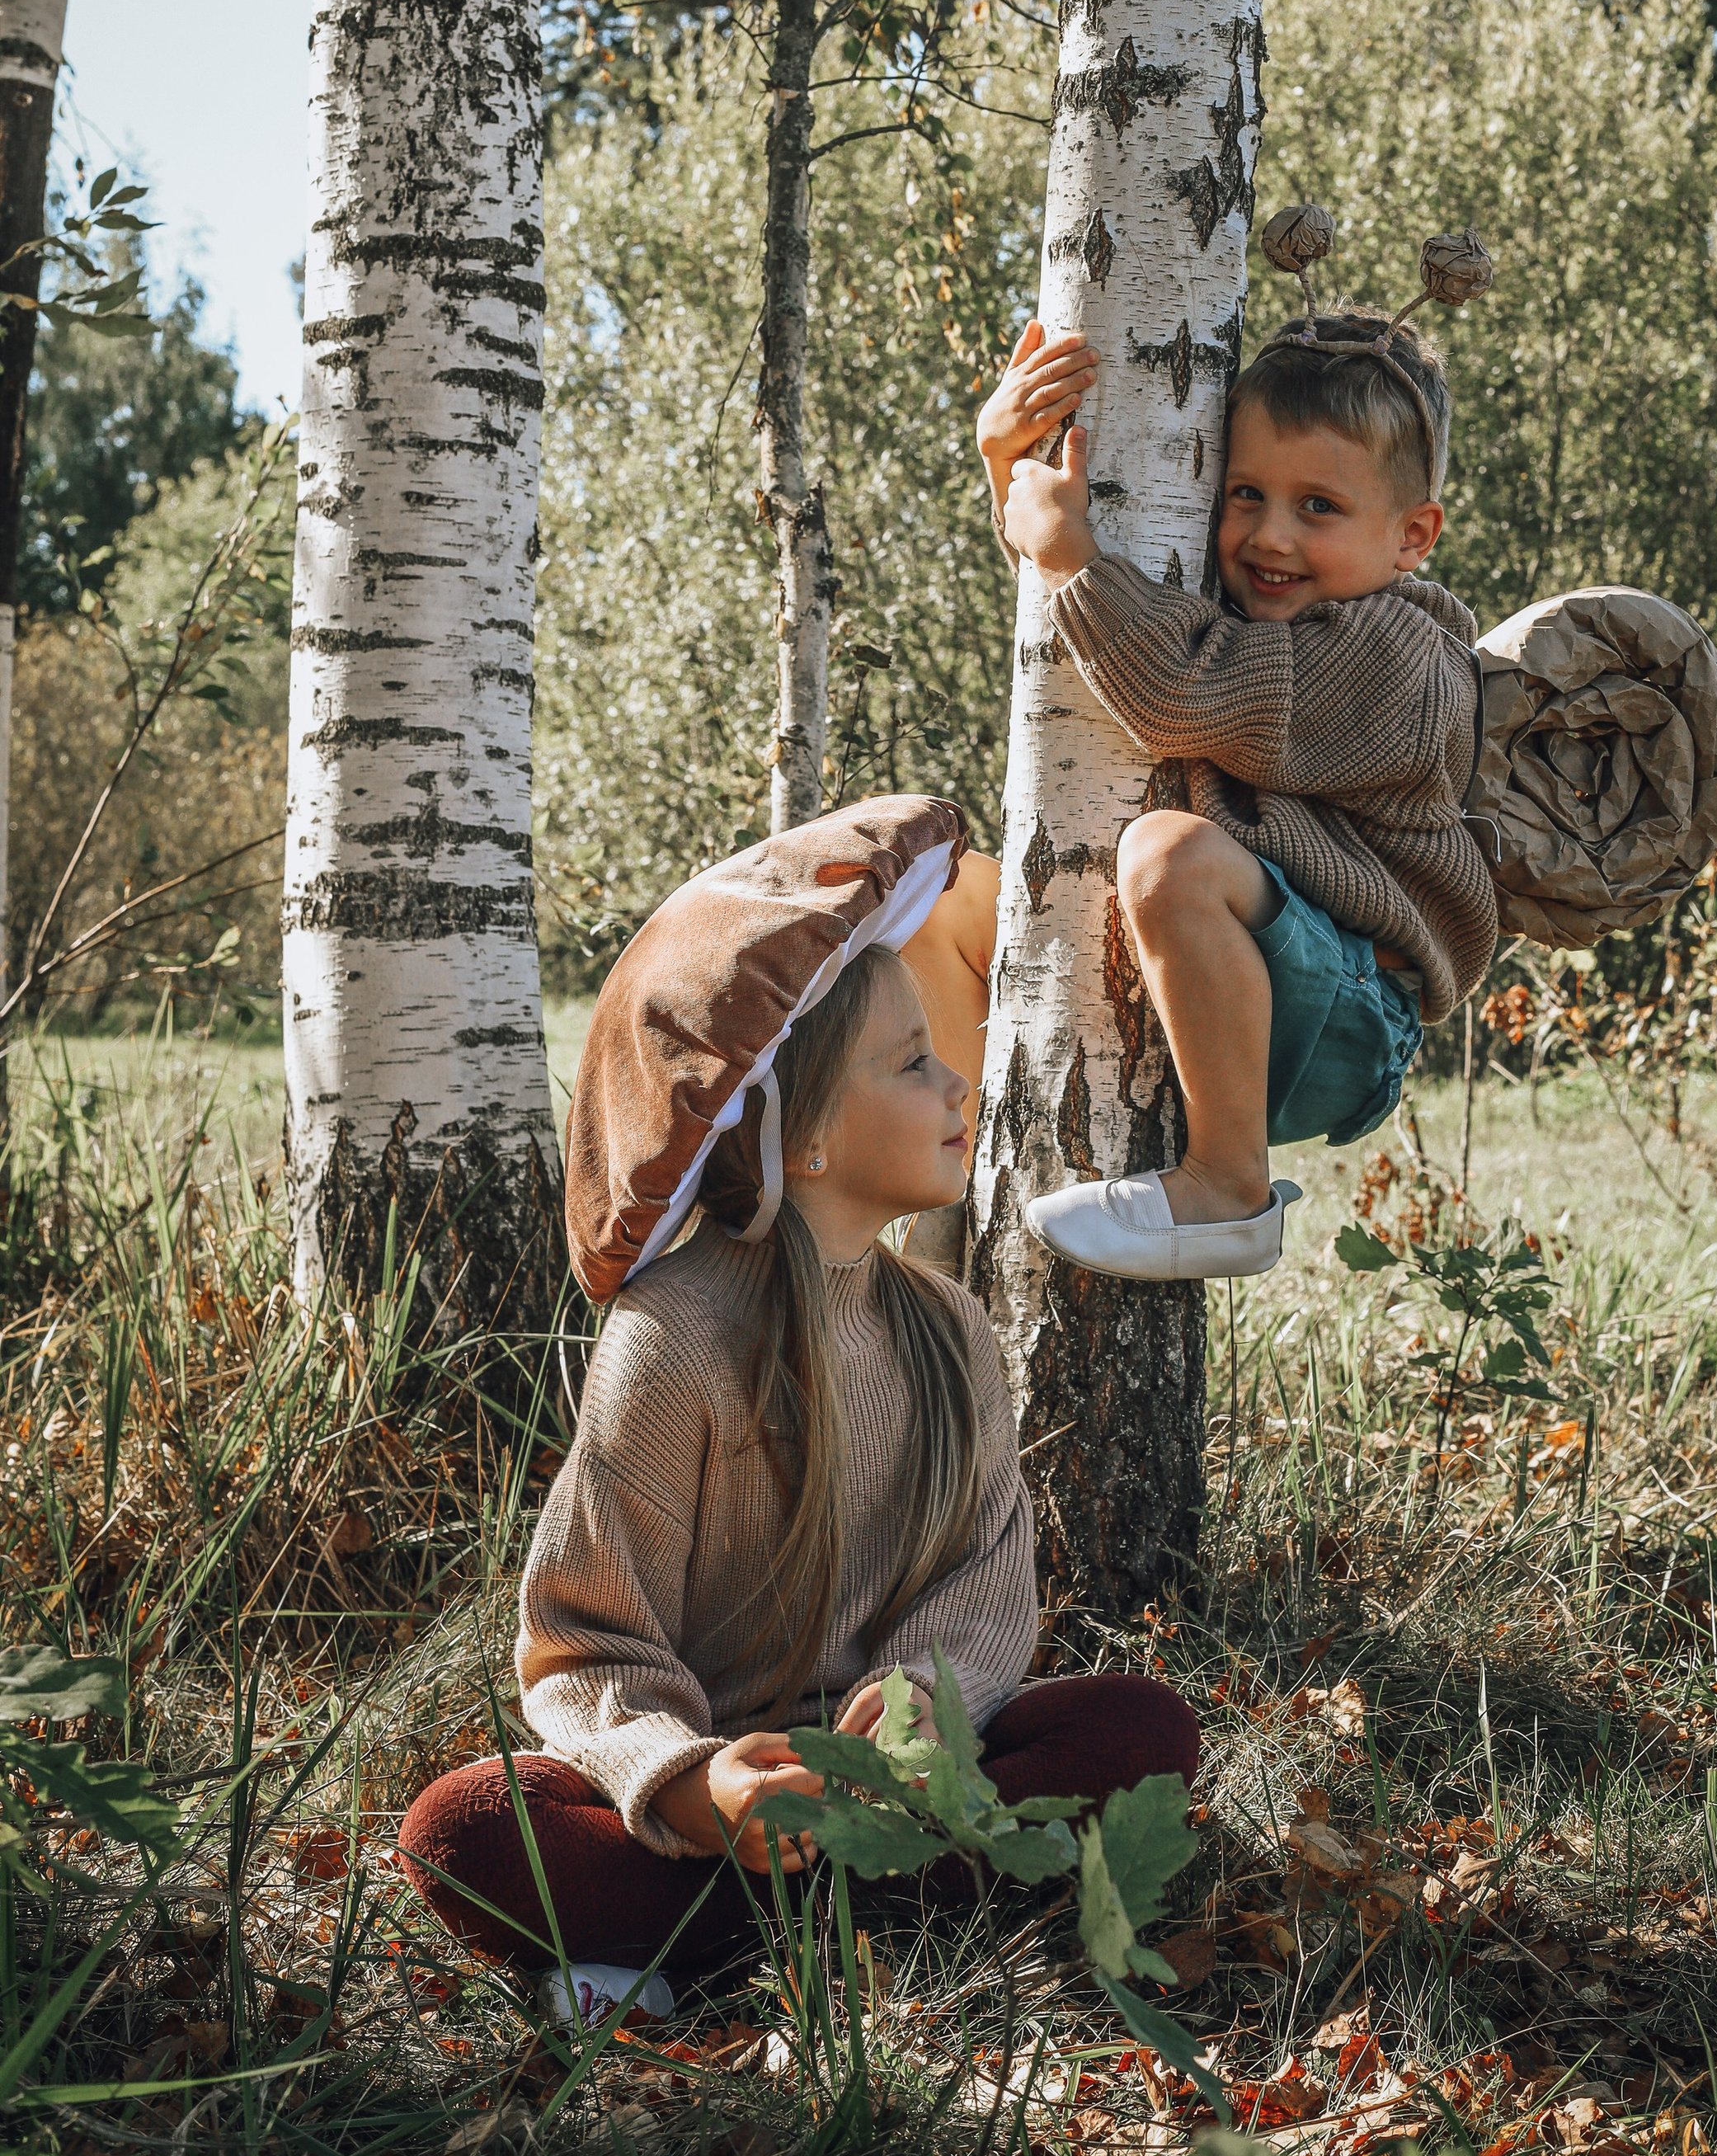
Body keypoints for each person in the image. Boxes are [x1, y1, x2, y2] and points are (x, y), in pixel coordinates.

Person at [397, 831, 1196, 2027]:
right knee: (457, 1829)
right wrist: (689, 1784)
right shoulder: (676, 1337)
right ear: (806, 1133)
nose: (956, 1085)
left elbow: (987, 1579)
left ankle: (709, 1953)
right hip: (722, 1801)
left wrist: (929, 1699)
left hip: (897, 1793)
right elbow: (585, 1635)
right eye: (914, 1062)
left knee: (1140, 1727)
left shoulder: (951, 1328)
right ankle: (859, 1923)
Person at [974, 308, 1498, 1286]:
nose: (1268, 536)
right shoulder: (1280, 614)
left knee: (1169, 856)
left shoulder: (1394, 656)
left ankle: (1228, 1194)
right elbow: (1111, 632)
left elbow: (1179, 688)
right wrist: (1009, 467)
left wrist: (1066, 553)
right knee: (962, 893)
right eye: (1244, 493)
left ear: (1412, 536)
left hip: (1350, 1007)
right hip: (1273, 974)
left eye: (1318, 509)